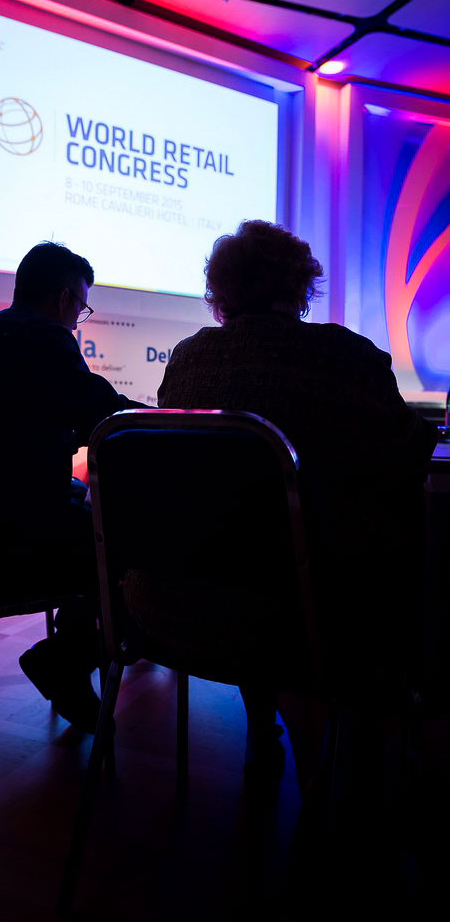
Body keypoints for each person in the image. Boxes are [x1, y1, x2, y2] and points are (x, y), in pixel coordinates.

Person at [156, 219, 437, 786]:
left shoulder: (186, 362)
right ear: (300, 286)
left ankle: (267, 732)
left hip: (177, 607)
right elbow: (410, 455)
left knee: (246, 542)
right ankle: (376, 746)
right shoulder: (347, 356)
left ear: (220, 291)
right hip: (310, 613)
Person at [0, 241, 140, 732]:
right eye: (81, 307)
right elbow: (103, 414)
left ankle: (71, 654)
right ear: (64, 297)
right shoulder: (44, 339)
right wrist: (174, 422)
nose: (77, 319)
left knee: (94, 519)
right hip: (6, 542)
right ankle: (68, 658)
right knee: (139, 549)